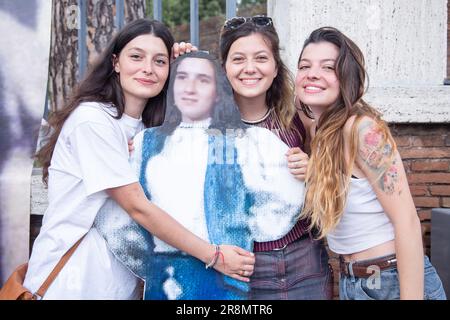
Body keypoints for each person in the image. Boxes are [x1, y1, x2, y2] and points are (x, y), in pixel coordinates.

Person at [23, 19, 255, 300]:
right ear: (115, 62)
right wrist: (215, 255)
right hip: (71, 283)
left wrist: (187, 62)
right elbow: (137, 207)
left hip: (122, 287)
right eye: (136, 57)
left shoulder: (149, 131)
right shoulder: (93, 120)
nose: (148, 69)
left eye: (159, 61)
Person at [95, 51, 305, 300]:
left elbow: (289, 196)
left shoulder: (248, 141)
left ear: (218, 92)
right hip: (165, 280)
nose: (190, 87)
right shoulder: (144, 144)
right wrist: (150, 263)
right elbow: (116, 216)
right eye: (182, 77)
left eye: (203, 80)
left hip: (228, 279)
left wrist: (241, 233)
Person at [296, 26, 446, 300]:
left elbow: (407, 221)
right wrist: (194, 62)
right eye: (304, 66)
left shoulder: (362, 130)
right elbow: (257, 83)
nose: (312, 73)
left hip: (392, 279)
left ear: (347, 77)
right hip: (356, 282)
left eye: (328, 67)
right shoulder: (318, 128)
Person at [219, 16, 333, 300]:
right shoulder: (207, 124)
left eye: (260, 58)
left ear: (275, 67)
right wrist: (181, 56)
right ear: (223, 68)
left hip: (306, 258)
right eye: (238, 59)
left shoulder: (299, 115)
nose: (250, 68)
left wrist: (312, 168)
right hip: (243, 264)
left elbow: (337, 165)